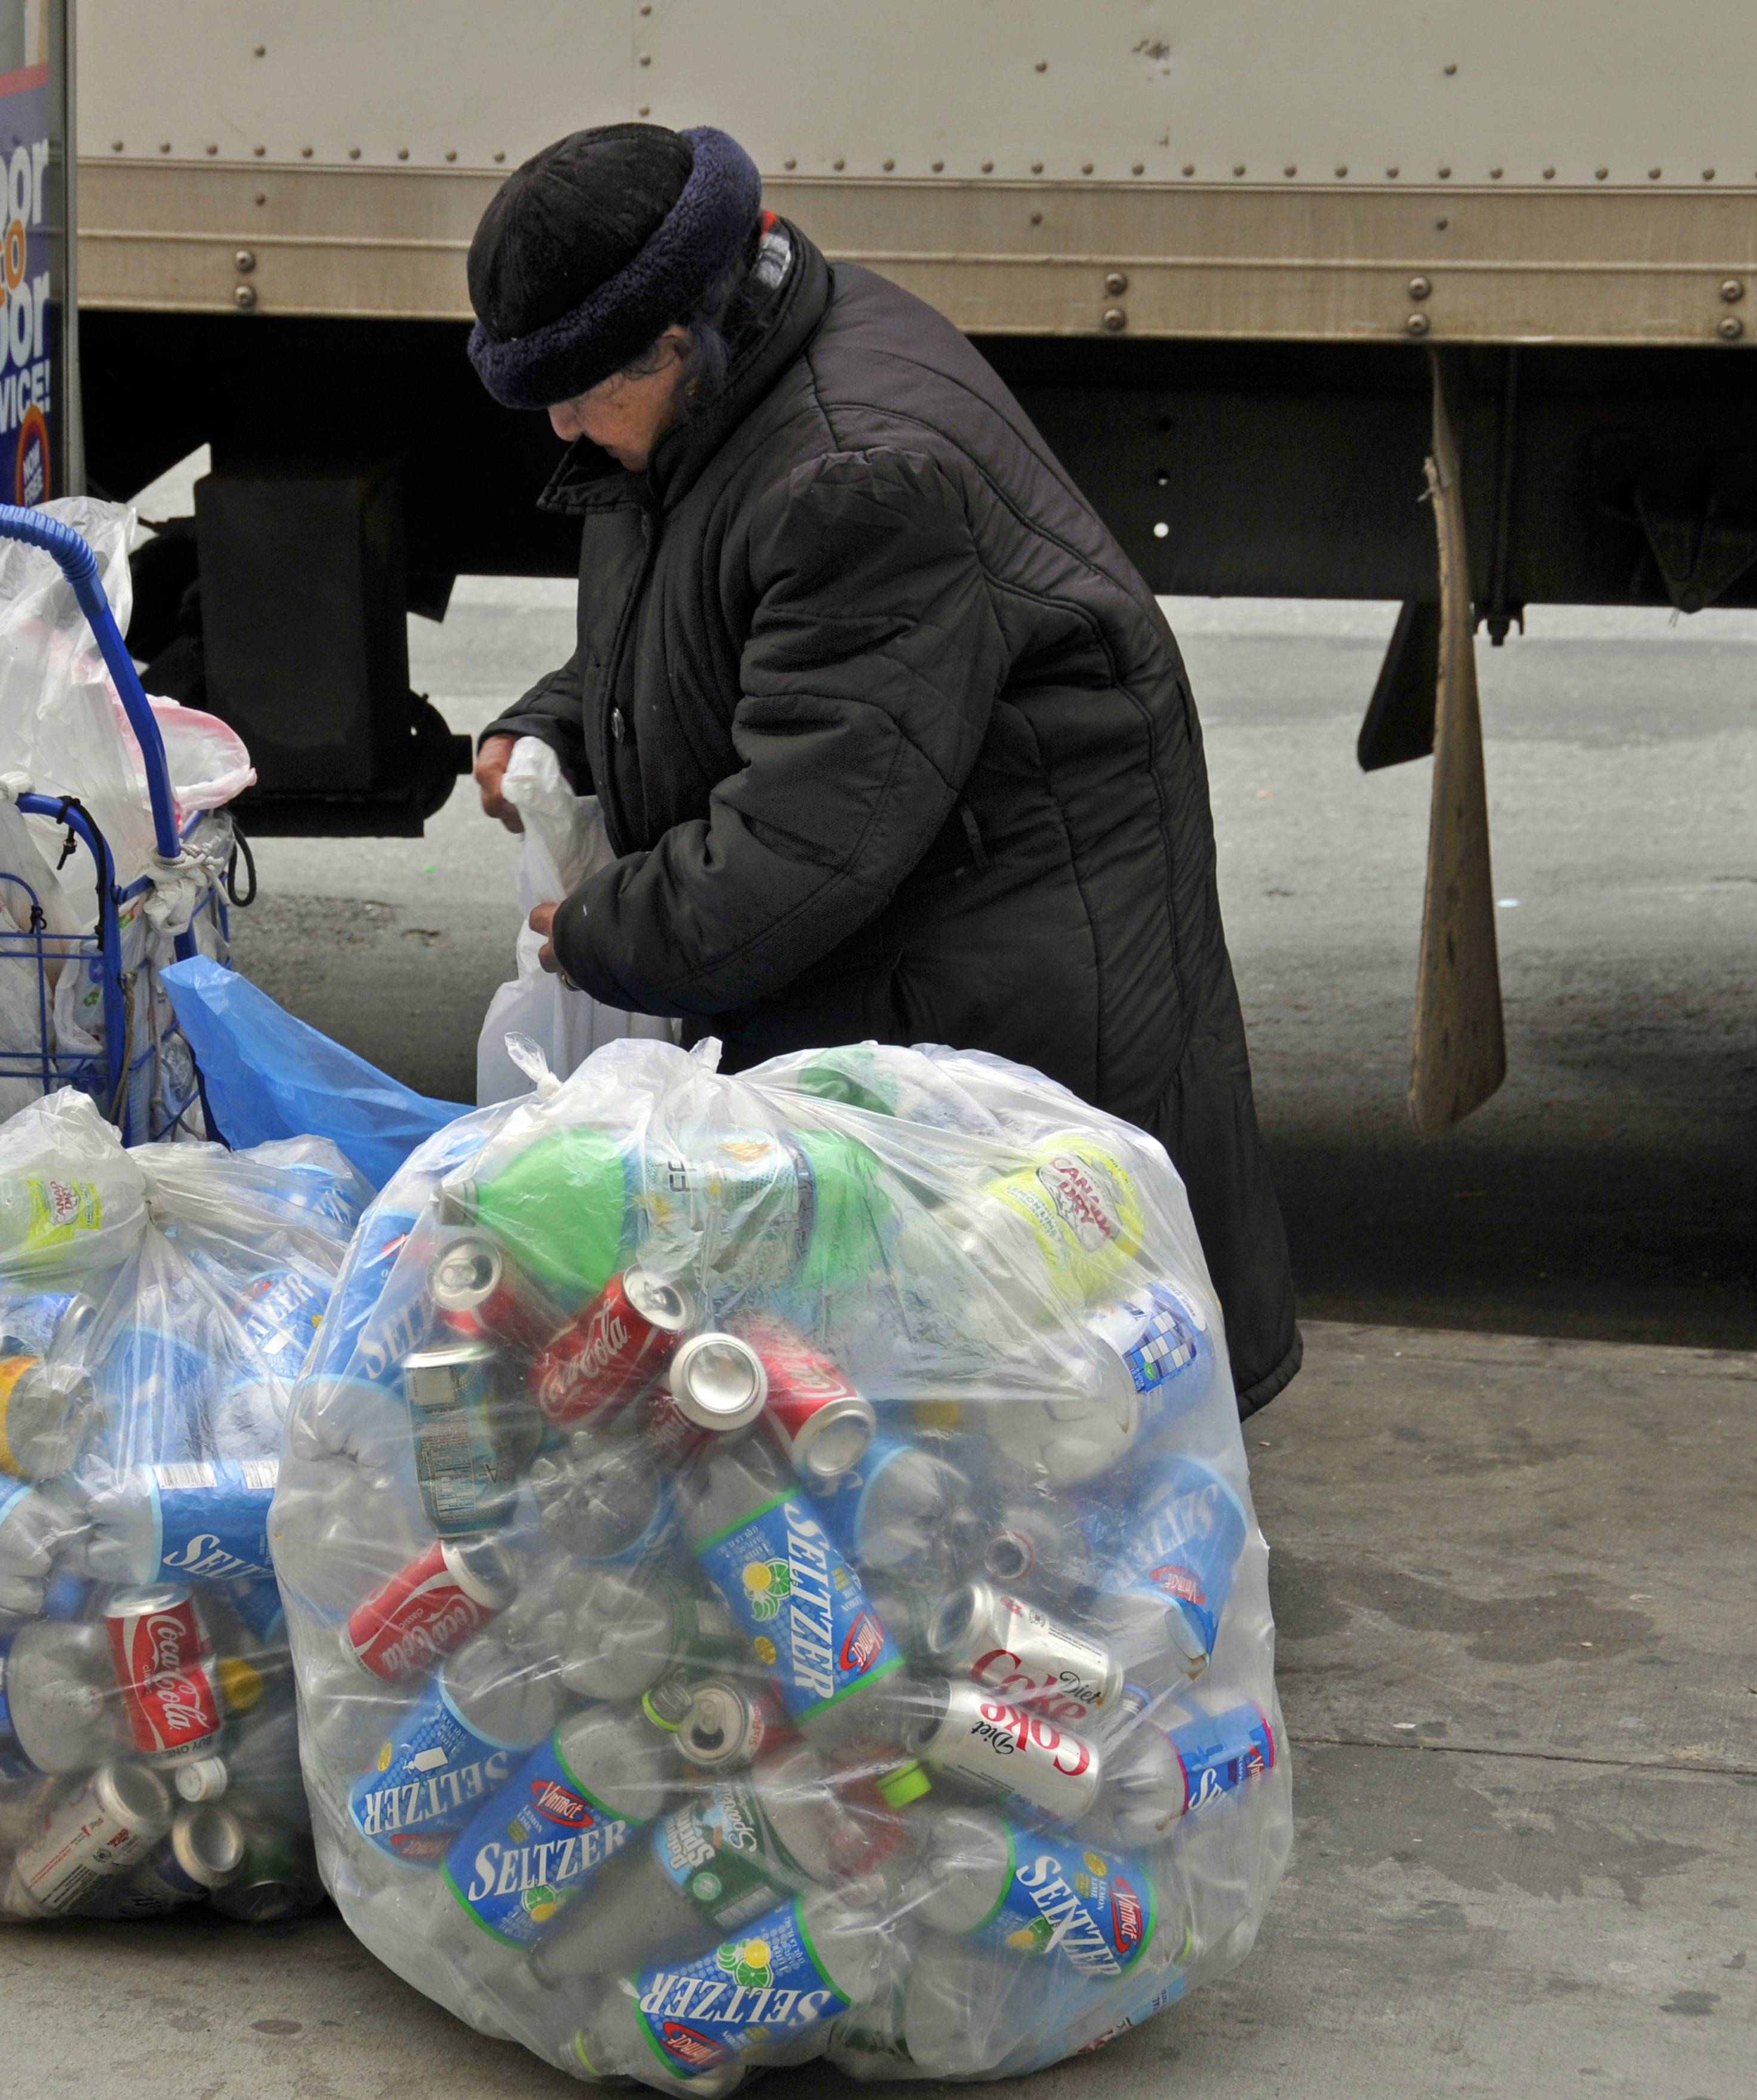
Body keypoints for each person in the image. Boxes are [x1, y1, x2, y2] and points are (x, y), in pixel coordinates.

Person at [464, 123, 1300, 1411]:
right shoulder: (730, 389)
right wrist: (558, 723)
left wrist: (589, 930)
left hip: (994, 962)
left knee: (1017, 1412)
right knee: (908, 1418)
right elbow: (703, 632)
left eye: (581, 391)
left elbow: (798, 853)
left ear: (680, 339)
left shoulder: (853, 471)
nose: (566, 427)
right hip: (928, 924)